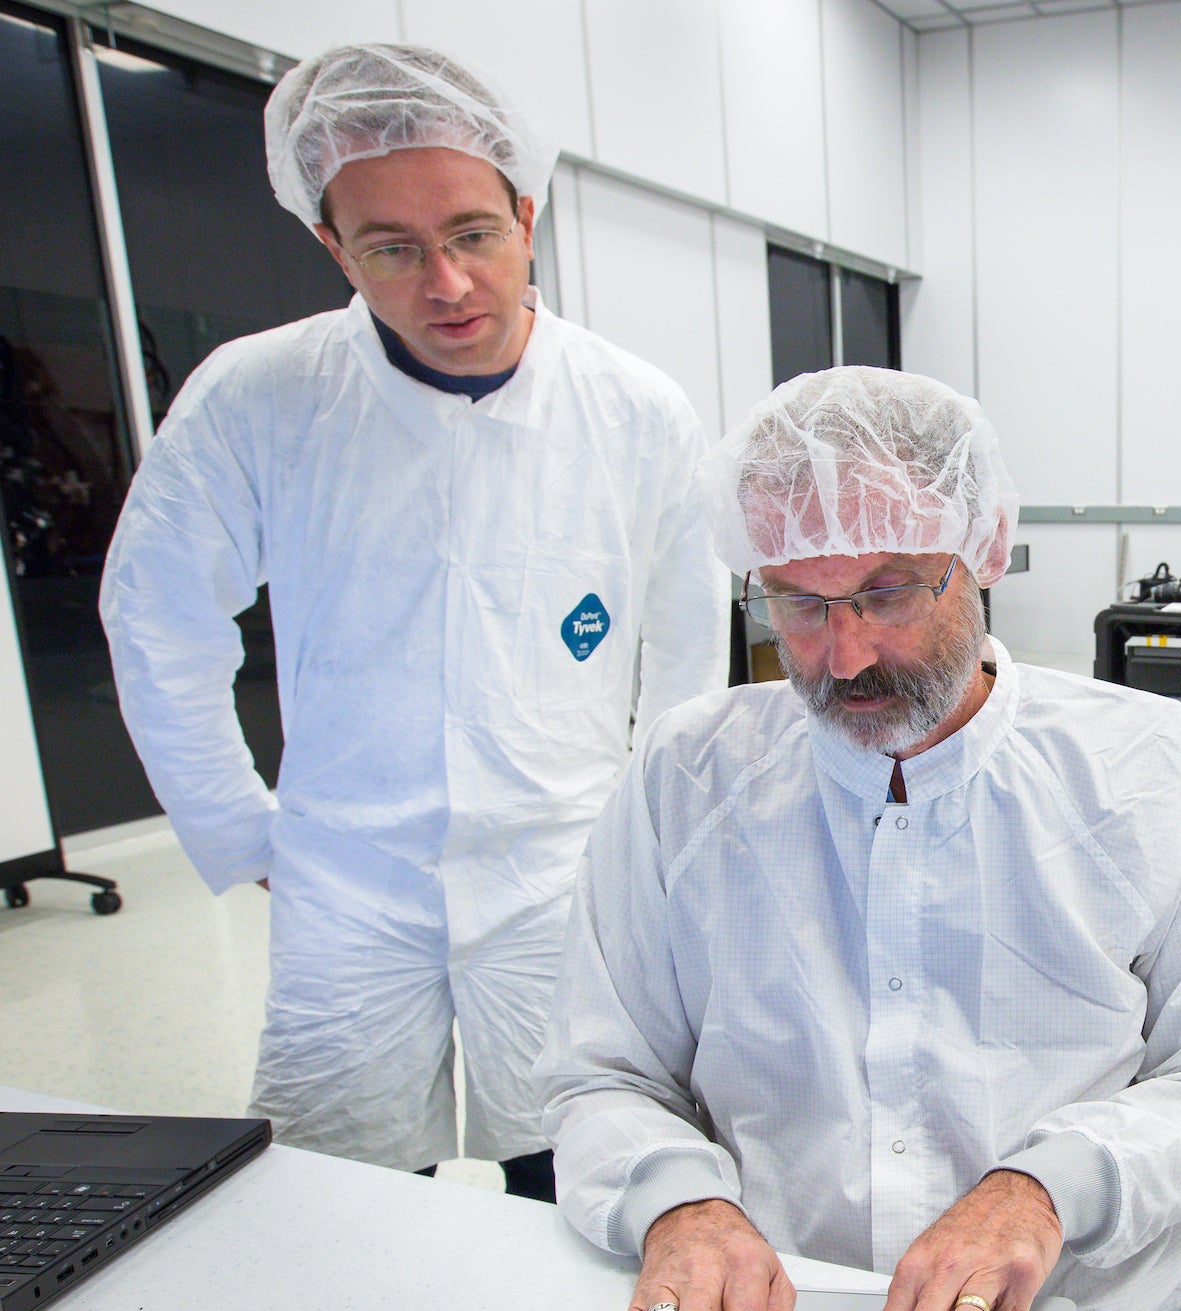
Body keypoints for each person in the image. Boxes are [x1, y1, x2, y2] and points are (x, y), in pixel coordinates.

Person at [535, 367, 1181, 1311]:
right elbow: (600, 1071)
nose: (845, 655)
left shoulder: (1139, 767)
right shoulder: (688, 777)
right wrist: (681, 1205)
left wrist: (1043, 1189)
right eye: (800, 602)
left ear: (982, 550)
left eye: (890, 592)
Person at [99, 45, 723, 1198]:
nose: (446, 284)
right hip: (346, 872)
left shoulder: (633, 409)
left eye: (474, 234)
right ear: (331, 245)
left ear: (527, 215)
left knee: (576, 1165)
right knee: (342, 1184)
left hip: (563, 866)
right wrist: (244, 832)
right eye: (392, 247)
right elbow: (158, 617)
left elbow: (685, 647)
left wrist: (655, 838)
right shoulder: (262, 397)